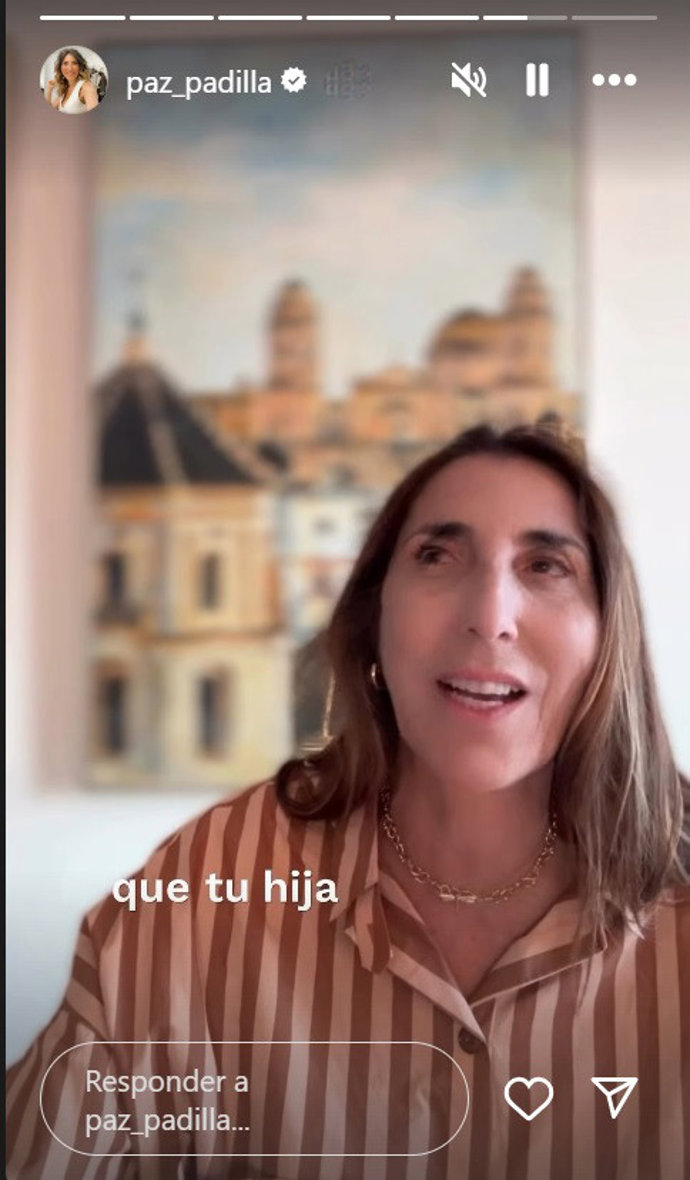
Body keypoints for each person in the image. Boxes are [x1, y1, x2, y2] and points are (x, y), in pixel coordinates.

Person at [6, 423, 689, 1179]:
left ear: (609, 634)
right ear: (374, 619)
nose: (490, 614)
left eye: (546, 565)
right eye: (437, 555)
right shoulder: (204, 888)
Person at [45, 48, 99, 114]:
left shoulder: (86, 87)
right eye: (65, 63)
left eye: (74, 63)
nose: (70, 68)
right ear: (60, 68)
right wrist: (49, 89)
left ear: (80, 67)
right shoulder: (64, 90)